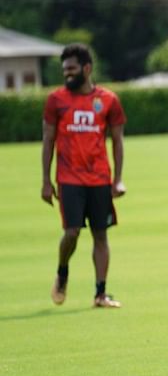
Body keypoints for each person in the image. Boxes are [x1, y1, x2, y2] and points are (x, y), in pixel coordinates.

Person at [41, 43, 126, 308]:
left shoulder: (108, 100)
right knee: (72, 232)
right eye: (64, 70)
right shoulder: (56, 100)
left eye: (72, 69)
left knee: (101, 235)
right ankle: (63, 270)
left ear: (87, 69)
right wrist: (46, 181)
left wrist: (118, 179)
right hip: (69, 179)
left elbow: (118, 141)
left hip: (99, 178)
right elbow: (48, 140)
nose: (67, 74)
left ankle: (101, 293)